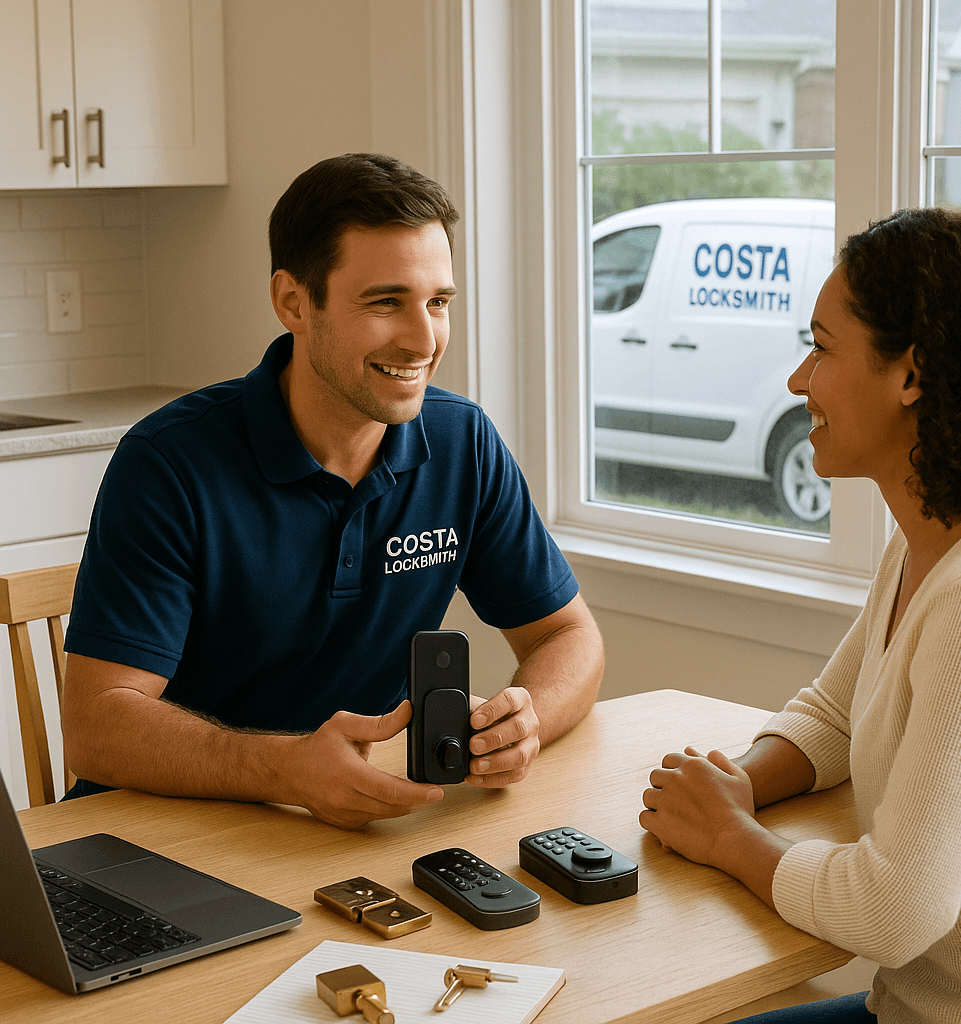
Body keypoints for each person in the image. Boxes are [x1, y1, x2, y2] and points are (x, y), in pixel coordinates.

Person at [61, 153, 604, 829]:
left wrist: (525, 723)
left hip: (346, 827)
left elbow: (568, 636)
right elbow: (96, 728)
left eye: (437, 302)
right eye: (385, 303)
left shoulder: (462, 443)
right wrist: (284, 767)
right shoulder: (169, 462)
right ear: (293, 301)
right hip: (161, 833)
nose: (422, 339)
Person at [639, 206, 961, 1023]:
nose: (797, 380)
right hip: (905, 1005)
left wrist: (730, 838)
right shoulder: (929, 541)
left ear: (911, 375)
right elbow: (837, 716)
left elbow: (896, 911)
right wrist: (733, 783)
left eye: (820, 347)